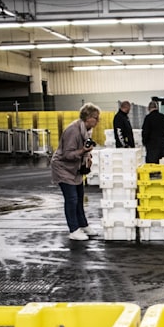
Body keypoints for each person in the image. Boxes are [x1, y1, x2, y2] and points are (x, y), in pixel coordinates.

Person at [50, 102, 100, 241]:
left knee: (79, 198)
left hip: (75, 169)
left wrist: (88, 157)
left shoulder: (86, 130)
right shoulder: (73, 130)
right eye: (96, 118)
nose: (98, 120)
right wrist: (83, 151)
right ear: (88, 117)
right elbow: (67, 154)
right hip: (63, 169)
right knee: (71, 199)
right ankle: (73, 229)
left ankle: (83, 225)